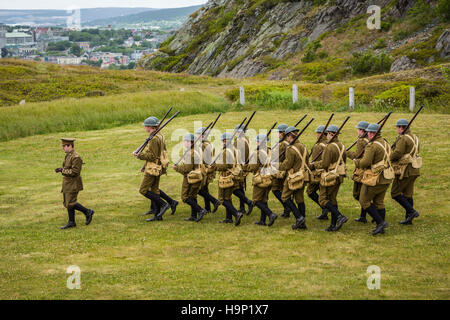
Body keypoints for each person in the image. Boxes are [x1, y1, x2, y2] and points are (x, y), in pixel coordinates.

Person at [133, 116, 177, 222]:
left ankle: (164, 204)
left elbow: (152, 156)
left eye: (146, 126)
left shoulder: (153, 139)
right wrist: (144, 165)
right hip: (157, 166)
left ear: (150, 127)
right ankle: (158, 216)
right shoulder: (160, 135)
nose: (145, 128)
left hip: (153, 167)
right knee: (155, 190)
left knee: (143, 190)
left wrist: (139, 155)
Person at [353, 123, 393, 235]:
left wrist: (357, 162)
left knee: (364, 201)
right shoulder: (385, 142)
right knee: (379, 202)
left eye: (370, 132)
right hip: (386, 177)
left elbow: (365, 162)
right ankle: (381, 227)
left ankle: (380, 223)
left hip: (374, 178)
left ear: (373, 133)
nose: (368, 134)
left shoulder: (372, 146)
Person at [311, 125, 348, 232]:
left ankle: (340, 216)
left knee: (322, 199)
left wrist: (313, 165)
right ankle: (333, 224)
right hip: (339, 175)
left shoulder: (329, 147)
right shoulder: (341, 145)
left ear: (331, 134)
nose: (326, 136)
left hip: (330, 176)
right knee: (332, 199)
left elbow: (325, 163)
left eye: (327, 134)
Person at [55, 138, 94, 229]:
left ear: (70, 146)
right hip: (67, 182)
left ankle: (88, 212)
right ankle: (71, 221)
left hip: (73, 183)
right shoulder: (68, 155)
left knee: (70, 202)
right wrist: (62, 170)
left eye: (64, 146)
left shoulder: (76, 157)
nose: (63, 148)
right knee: (67, 202)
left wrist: (62, 170)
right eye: (63, 146)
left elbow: (75, 172)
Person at [390, 119, 421, 224]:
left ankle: (411, 212)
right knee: (408, 194)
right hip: (414, 169)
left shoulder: (403, 139)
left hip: (405, 170)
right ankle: (409, 219)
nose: (397, 129)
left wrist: (387, 158)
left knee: (395, 193)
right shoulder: (415, 138)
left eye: (398, 127)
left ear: (401, 128)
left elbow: (397, 153)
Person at [279, 126, 310, 230]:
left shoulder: (290, 149)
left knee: (285, 197)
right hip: (303, 176)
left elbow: (287, 165)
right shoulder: (304, 146)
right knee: (299, 198)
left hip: (293, 177)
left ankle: (299, 217)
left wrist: (278, 165)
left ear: (289, 136)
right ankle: (302, 223)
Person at [173, 133, 208, 222]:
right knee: (193, 196)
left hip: (190, 177)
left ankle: (200, 210)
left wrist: (176, 168)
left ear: (191, 143)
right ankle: (193, 215)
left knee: (185, 197)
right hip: (197, 175)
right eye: (185, 141)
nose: (185, 143)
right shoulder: (197, 149)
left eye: (187, 141)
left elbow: (187, 169)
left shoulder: (190, 153)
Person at [247, 134, 278, 226]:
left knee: (256, 200)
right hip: (269, 177)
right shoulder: (270, 151)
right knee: (264, 200)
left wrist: (247, 166)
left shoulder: (257, 153)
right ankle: (262, 220)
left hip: (260, 179)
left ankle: (270, 214)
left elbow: (253, 167)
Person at [216, 132, 244, 226]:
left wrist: (215, 166)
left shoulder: (226, 151)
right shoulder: (234, 149)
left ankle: (236, 214)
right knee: (228, 198)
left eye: (225, 141)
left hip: (226, 176)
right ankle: (229, 218)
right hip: (233, 176)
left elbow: (226, 165)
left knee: (222, 199)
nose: (223, 143)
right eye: (223, 141)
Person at [346, 121, 370, 223]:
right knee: (361, 194)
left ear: (362, 130)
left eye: (358, 129)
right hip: (366, 168)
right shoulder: (369, 139)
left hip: (361, 169)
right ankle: (363, 216)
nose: (357, 131)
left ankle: (371, 211)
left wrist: (345, 152)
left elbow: (357, 155)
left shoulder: (361, 141)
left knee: (358, 194)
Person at [306, 125, 329, 220]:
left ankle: (325, 208)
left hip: (318, 174)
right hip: (327, 173)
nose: (316, 135)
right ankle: (325, 209)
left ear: (321, 134)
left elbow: (315, 162)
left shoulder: (318, 146)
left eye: (318, 133)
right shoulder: (329, 143)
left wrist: (309, 167)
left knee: (310, 191)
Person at [195, 127, 220, 214]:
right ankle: (208, 207)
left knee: (199, 189)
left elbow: (204, 158)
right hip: (207, 168)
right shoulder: (207, 143)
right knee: (205, 189)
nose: (197, 136)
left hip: (205, 169)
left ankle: (214, 201)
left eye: (198, 135)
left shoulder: (204, 145)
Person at [270, 124, 292, 218]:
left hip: (280, 169)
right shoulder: (288, 143)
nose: (278, 134)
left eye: (279, 132)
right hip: (284, 169)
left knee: (275, 189)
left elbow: (275, 157)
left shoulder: (282, 144)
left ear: (283, 133)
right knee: (283, 190)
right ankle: (287, 208)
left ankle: (287, 207)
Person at [232, 124, 254, 215]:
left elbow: (239, 155)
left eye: (237, 131)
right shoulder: (246, 139)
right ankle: (242, 207)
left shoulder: (240, 141)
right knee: (240, 187)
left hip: (241, 167)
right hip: (244, 166)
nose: (235, 133)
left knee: (234, 188)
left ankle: (248, 202)